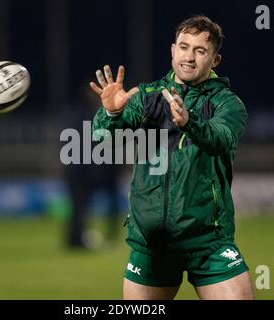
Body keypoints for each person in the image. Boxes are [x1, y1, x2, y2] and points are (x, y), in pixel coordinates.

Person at [89, 15, 254, 299]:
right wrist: (112, 113)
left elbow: (221, 140)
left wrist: (189, 122)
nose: (189, 57)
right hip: (152, 243)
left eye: (200, 51)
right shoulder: (145, 96)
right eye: (183, 47)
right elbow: (102, 139)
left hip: (208, 241)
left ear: (215, 59)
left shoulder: (226, 103)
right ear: (172, 50)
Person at [64, 82, 122, 249]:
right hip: (92, 170)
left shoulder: (74, 115)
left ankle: (75, 240)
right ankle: (80, 239)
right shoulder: (97, 115)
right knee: (84, 207)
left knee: (79, 207)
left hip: (78, 170)